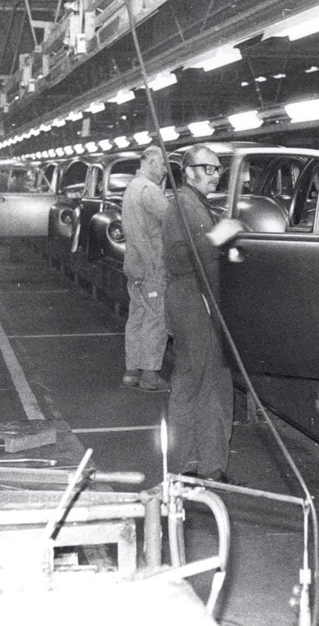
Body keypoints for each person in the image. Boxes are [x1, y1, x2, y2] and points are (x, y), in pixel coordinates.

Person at [162, 144, 234, 482]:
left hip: (200, 301)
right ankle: (190, 467)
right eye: (209, 168)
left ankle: (205, 465)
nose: (215, 175)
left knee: (209, 383)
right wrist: (217, 238)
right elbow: (178, 257)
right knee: (197, 383)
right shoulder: (182, 205)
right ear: (189, 172)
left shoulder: (197, 204)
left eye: (218, 169)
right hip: (193, 302)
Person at [121, 146, 170, 391]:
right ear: (150, 162)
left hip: (133, 264)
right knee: (156, 318)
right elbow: (171, 219)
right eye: (162, 165)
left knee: (137, 317)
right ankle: (150, 374)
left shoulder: (132, 187)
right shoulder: (149, 190)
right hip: (152, 265)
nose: (165, 171)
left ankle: (132, 371)